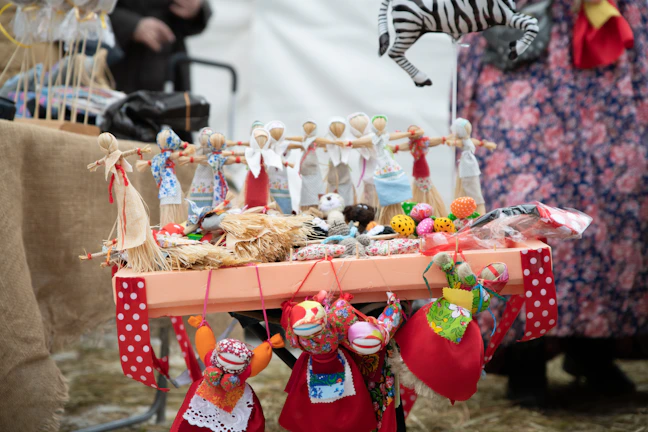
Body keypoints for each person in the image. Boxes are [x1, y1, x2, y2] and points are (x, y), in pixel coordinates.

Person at [457, 0, 647, 406]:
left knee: (607, 194)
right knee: (520, 197)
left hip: (597, 44)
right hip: (524, 42)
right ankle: (525, 352)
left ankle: (592, 348)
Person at [110, 0, 212, 94]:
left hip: (170, 66)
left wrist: (197, 8)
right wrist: (132, 25)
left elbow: (200, 13)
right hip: (118, 66)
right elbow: (95, 8)